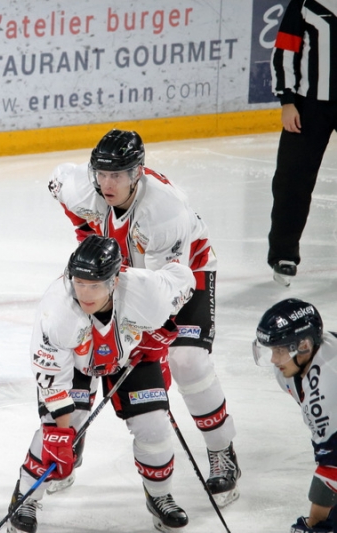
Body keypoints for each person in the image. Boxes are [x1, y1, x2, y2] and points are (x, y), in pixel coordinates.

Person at [47, 129, 241, 507]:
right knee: (78, 335)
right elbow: (58, 182)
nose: (107, 183)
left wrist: (150, 337)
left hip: (185, 273)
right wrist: (87, 236)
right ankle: (71, 433)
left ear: (137, 172)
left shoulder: (163, 211)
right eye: (102, 173)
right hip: (121, 272)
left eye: (118, 175)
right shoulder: (83, 187)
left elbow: (168, 286)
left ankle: (222, 450)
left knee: (187, 360)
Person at [7, 235, 195, 533]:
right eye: (79, 282)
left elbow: (184, 279)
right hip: (76, 363)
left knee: (154, 426)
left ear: (114, 281)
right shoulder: (57, 311)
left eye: (94, 285)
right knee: (57, 430)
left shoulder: (147, 292)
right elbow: (52, 380)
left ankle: (159, 495)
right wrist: (62, 434)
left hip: (130, 355)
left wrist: (159, 331)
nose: (84, 292)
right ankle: (26, 497)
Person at [268, 0, 337, 287]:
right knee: (292, 181)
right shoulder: (306, 4)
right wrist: (287, 101)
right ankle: (284, 255)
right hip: (309, 108)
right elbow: (285, 50)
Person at [253, 298, 337, 533]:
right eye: (272, 350)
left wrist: (316, 525)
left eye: (280, 350)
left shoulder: (324, 392)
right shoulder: (298, 367)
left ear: (305, 345)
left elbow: (332, 468)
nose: (273, 359)